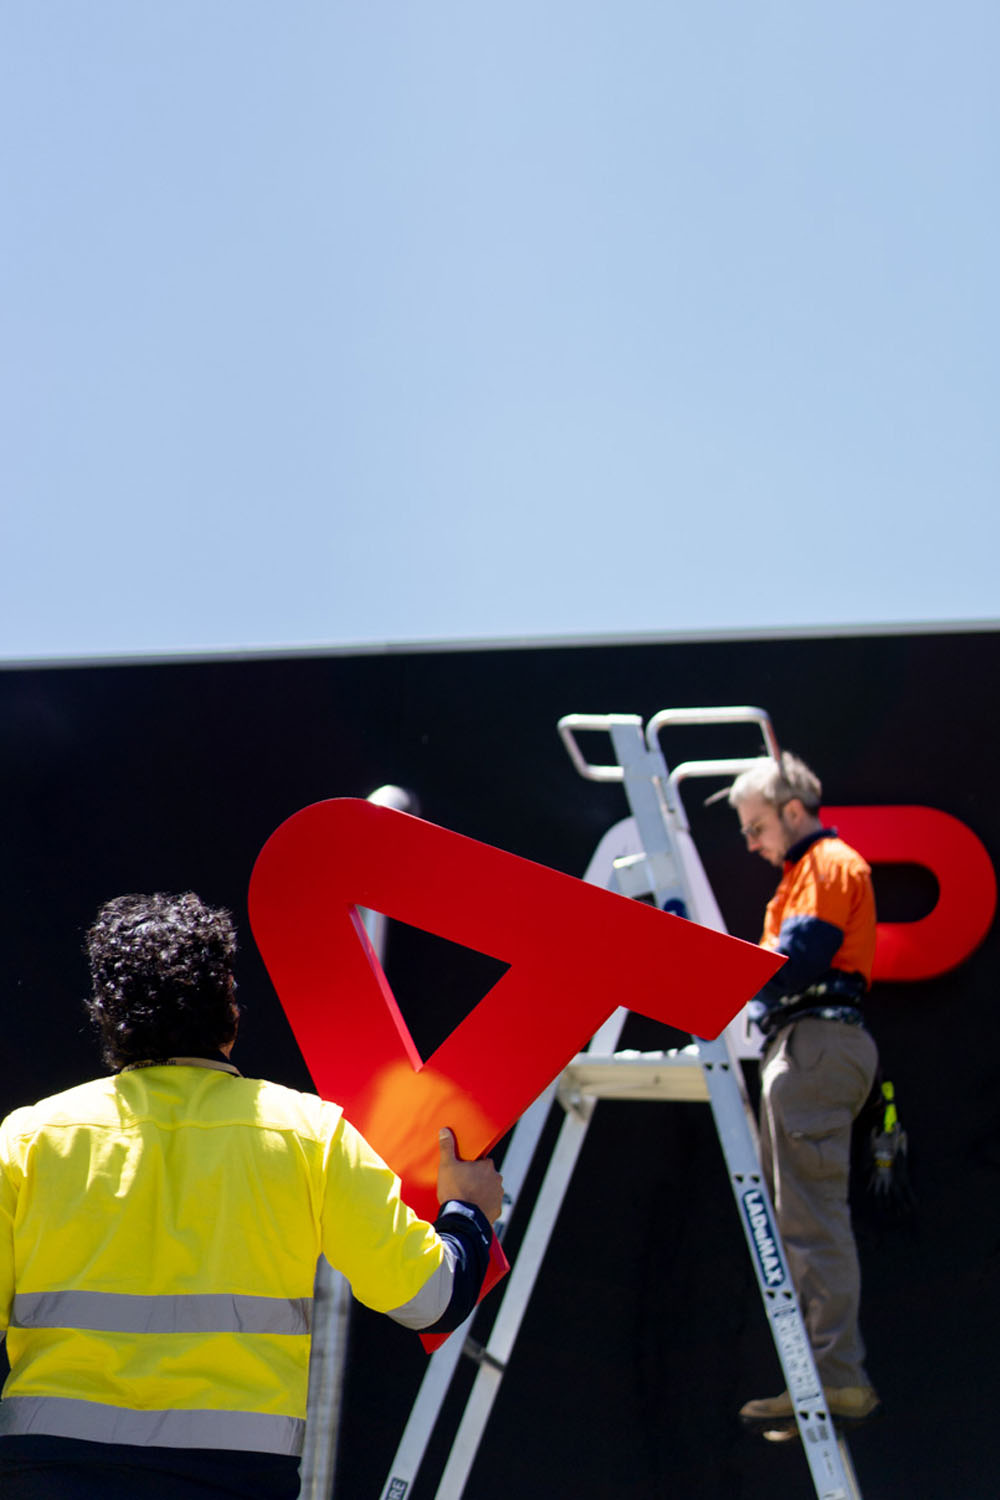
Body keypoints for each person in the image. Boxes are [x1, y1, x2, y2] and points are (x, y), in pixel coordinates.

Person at [0, 892, 503, 1499]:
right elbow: (431, 1300)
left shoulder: (29, 1138)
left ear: (107, 1012)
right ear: (230, 1010)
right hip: (234, 1478)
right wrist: (468, 1210)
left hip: (48, 1475)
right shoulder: (309, 1134)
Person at [727, 753, 880, 1435]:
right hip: (806, 1045)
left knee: (811, 1219)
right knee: (797, 1221)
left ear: (793, 812)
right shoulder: (800, 874)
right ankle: (819, 1377)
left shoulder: (826, 864)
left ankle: (837, 1378)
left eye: (757, 827)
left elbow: (798, 960)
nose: (751, 844)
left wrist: (713, 975)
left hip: (817, 1045)